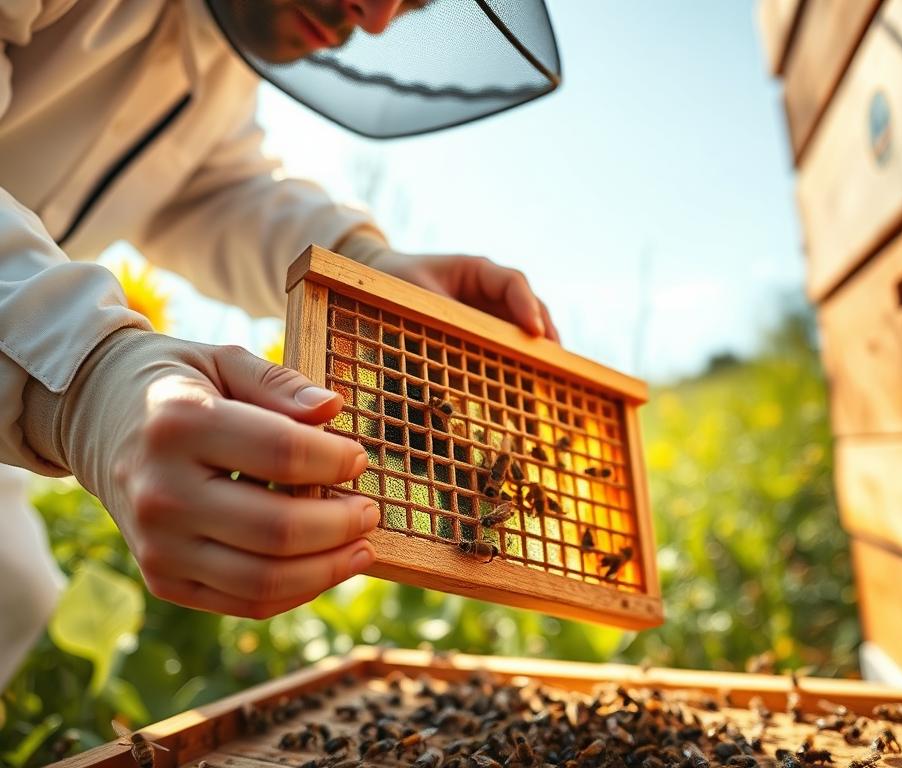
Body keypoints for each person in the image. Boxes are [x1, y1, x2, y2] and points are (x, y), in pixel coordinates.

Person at [0, 0, 562, 687]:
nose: (379, 17)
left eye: (417, 0)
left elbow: (213, 190)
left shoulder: (217, 69)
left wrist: (365, 265)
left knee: (12, 590)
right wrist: (85, 376)